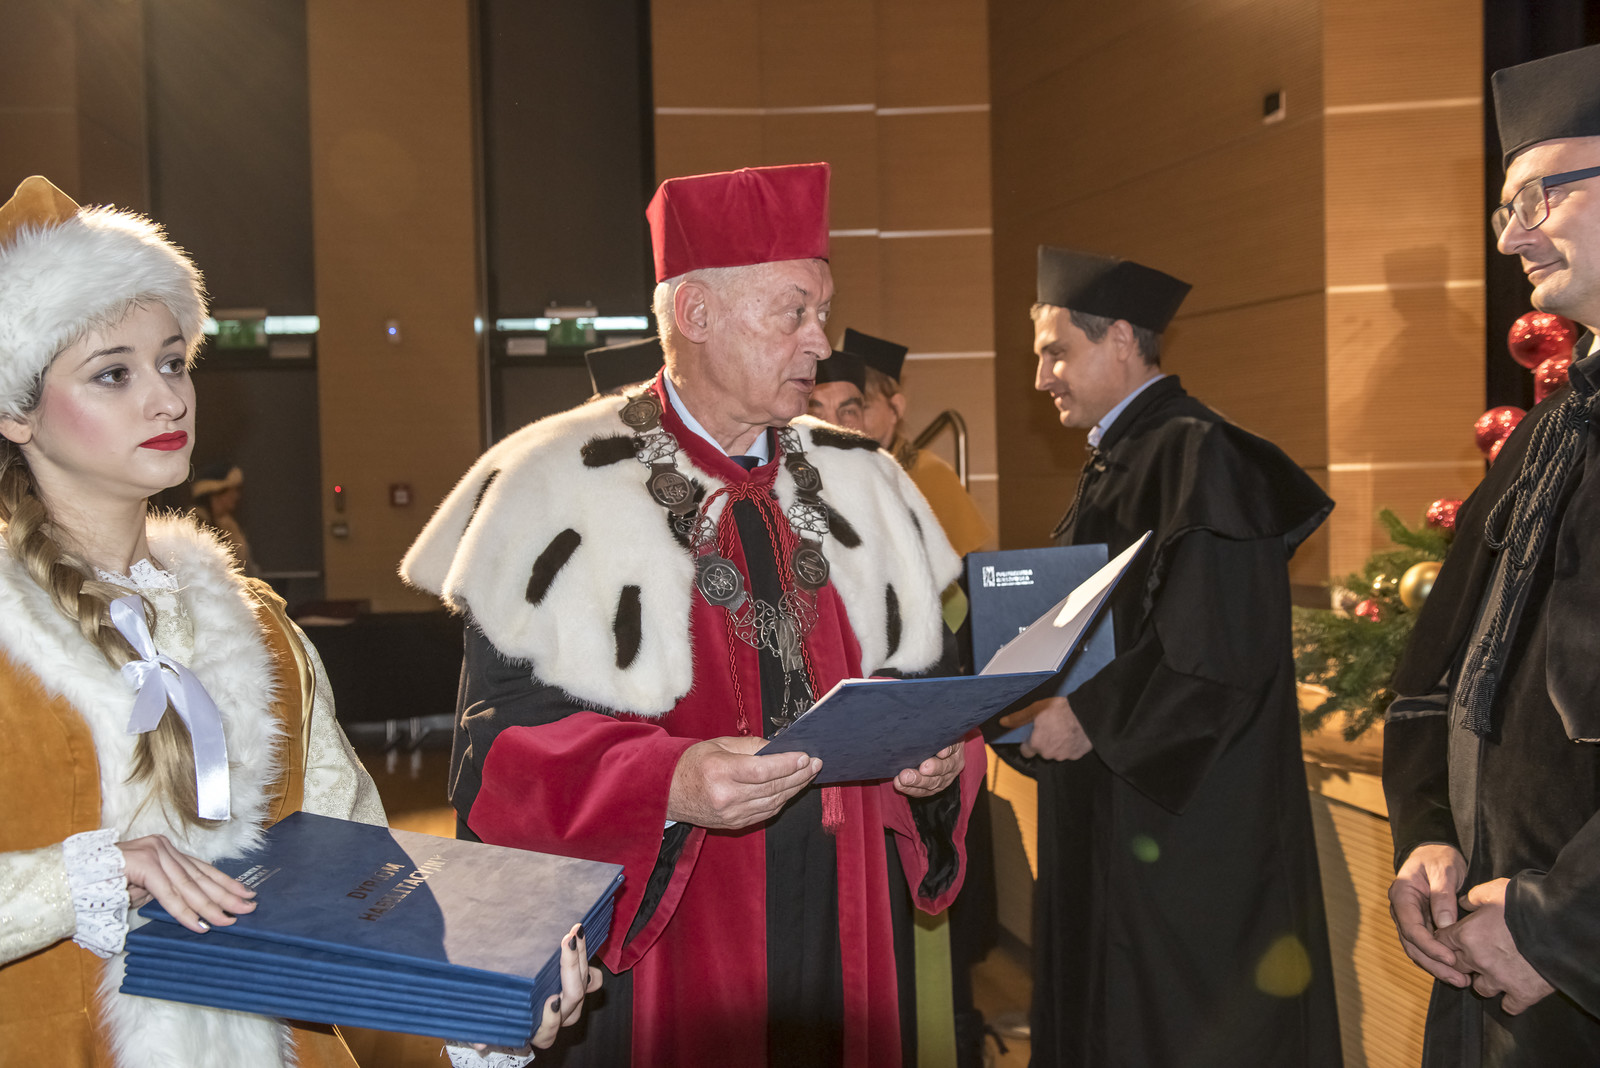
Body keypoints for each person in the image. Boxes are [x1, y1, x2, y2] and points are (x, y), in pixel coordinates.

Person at [0, 176, 595, 1068]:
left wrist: (481, 1004)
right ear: (15, 411)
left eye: (173, 362)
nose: (168, 399)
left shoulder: (259, 630)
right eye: (113, 373)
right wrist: (88, 874)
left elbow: (361, 875)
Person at [401, 161, 986, 1068]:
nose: (819, 342)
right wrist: (665, 782)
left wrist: (938, 760)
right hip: (668, 944)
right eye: (793, 312)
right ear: (697, 313)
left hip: (846, 927)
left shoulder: (866, 483)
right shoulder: (557, 487)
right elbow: (499, 749)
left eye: (822, 312)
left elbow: (933, 686)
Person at [1003, 245, 1341, 1066]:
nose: (1042, 378)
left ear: (1121, 337)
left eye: (1056, 352)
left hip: (1191, 837)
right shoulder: (1129, 455)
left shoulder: (1201, 454)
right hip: (1121, 814)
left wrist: (1088, 716)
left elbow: (1218, 652)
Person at [1383, 43, 1600, 1064]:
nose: (1513, 235)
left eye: (1540, 196)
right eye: (1504, 208)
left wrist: (1559, 926)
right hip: (1491, 941)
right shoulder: (1550, 428)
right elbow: (1442, 661)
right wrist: (1430, 831)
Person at [827, 328, 992, 556]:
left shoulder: (929, 474)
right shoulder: (824, 472)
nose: (842, 423)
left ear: (896, 408)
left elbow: (972, 566)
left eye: (861, 407)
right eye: (841, 410)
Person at [189, 461, 256, 574]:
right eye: (232, 491)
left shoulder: (230, 525)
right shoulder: (195, 525)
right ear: (216, 493)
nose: (236, 496)